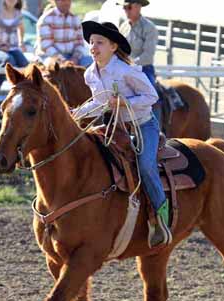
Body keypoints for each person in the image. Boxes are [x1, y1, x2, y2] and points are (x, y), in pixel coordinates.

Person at [76, 21, 171, 247]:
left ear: (113, 46)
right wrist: (76, 113)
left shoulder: (126, 71)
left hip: (143, 124)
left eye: (99, 42)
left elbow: (151, 96)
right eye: (91, 42)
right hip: (117, 127)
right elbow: (99, 103)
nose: (93, 47)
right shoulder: (91, 74)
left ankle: (161, 216)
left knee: (146, 165)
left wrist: (124, 102)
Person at [118, 0, 162, 124]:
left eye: (129, 7)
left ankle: (155, 126)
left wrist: (130, 64)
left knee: (152, 95)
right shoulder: (123, 26)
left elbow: (148, 55)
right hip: (124, 68)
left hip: (143, 69)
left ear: (138, 7)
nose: (126, 10)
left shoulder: (149, 28)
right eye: (124, 8)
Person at [0, 0, 29, 96]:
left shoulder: (18, 13)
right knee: (9, 60)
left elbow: (21, 29)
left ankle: (22, 91)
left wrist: (21, 42)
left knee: (26, 65)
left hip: (14, 49)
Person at [35, 0, 92, 68]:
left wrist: (75, 58)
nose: (66, 2)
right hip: (50, 57)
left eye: (68, 0)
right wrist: (63, 60)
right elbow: (46, 46)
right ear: (55, 1)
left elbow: (80, 44)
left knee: (91, 62)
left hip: (72, 57)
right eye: (63, 0)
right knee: (53, 67)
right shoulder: (46, 19)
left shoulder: (75, 19)